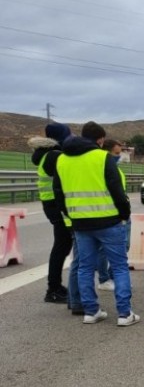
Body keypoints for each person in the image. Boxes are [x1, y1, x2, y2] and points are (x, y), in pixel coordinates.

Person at [54, 121, 139, 327]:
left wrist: (71, 215)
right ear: (100, 139)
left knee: (85, 267)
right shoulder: (103, 158)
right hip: (109, 222)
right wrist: (124, 214)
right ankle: (124, 313)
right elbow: (117, 191)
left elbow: (58, 193)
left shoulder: (62, 159)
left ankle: (91, 311)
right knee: (119, 267)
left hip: (80, 223)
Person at [29, 122, 74, 304]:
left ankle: (54, 286)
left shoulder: (47, 154)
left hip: (52, 205)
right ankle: (53, 288)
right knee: (61, 247)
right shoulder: (55, 155)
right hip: (57, 206)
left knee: (62, 246)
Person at [95, 139, 130, 291]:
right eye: (116, 153)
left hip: (120, 212)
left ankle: (114, 277)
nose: (119, 156)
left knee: (124, 246)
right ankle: (104, 279)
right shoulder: (102, 168)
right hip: (109, 214)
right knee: (104, 249)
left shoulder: (116, 168)